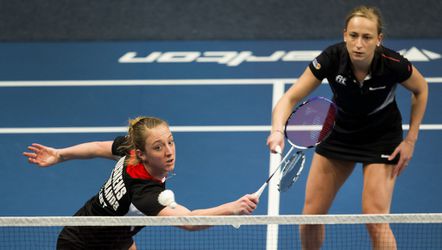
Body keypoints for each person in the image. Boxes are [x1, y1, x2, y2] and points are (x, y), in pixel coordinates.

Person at [266, 5, 428, 250]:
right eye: (353, 36)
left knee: (375, 220)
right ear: (345, 35)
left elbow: (421, 88)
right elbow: (290, 98)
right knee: (310, 218)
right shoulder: (332, 58)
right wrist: (277, 130)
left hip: (381, 138)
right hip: (339, 134)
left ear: (379, 39)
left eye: (367, 37)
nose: (359, 44)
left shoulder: (393, 63)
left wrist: (411, 140)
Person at [24, 116, 259, 250]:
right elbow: (190, 221)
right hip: (81, 245)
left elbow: (96, 147)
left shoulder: (132, 149)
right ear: (143, 153)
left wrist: (61, 155)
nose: (169, 152)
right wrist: (232, 208)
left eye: (170, 142)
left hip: (115, 237)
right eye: (158, 147)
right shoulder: (145, 193)